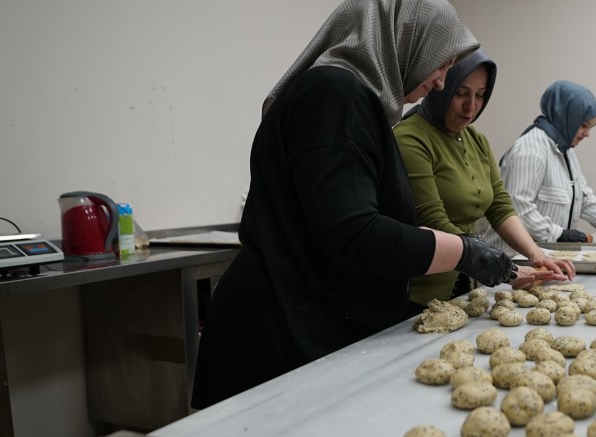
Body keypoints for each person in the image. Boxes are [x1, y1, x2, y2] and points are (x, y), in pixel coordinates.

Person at [191, 0, 516, 409]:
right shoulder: (336, 96)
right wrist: (464, 252)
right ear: (404, 38)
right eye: (442, 63)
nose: (440, 82)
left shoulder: (352, 101)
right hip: (279, 339)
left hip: (306, 323)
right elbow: (354, 232)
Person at [394, 50, 574, 306]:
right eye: (461, 93)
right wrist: (505, 269)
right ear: (440, 86)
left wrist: (537, 254)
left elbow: (499, 206)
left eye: (480, 95)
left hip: (464, 283)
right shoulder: (411, 138)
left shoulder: (475, 139)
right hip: (420, 290)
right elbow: (433, 219)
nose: (471, 106)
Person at [478, 80, 596, 251]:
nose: (588, 134)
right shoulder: (530, 149)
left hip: (544, 257)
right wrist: (557, 234)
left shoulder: (564, 149)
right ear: (566, 117)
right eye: (584, 126)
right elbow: (517, 208)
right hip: (512, 257)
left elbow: (581, 195)